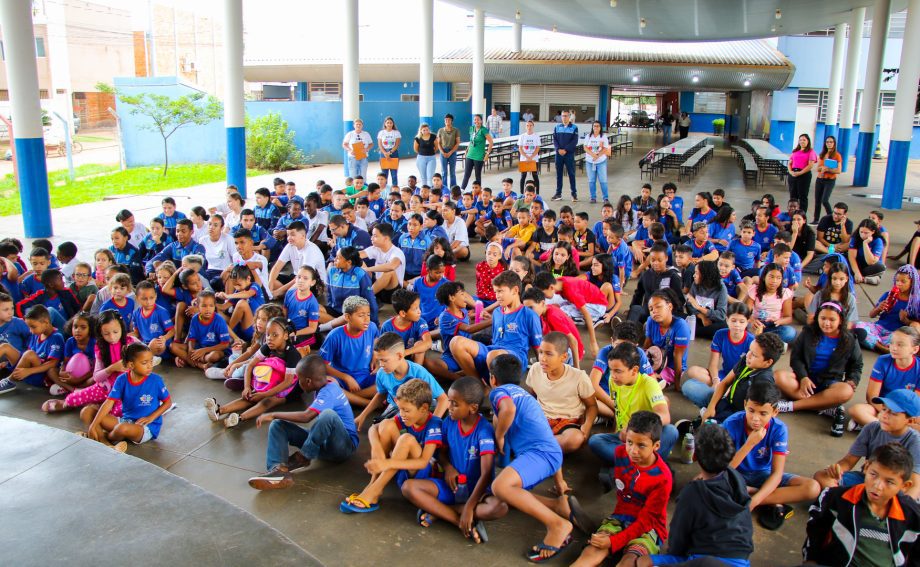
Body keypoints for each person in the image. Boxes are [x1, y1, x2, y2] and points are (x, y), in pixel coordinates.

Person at [486, 354, 571, 562]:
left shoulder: (499, 392)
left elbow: (508, 409)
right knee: (506, 493)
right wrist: (559, 481)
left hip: (540, 455)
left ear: (493, 378)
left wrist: (498, 435)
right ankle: (556, 505)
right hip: (550, 453)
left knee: (500, 488)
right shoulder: (525, 396)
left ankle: (557, 525)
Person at [401, 376, 506, 543]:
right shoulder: (449, 422)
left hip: (477, 492)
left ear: (473, 408)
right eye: (449, 401)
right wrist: (448, 467)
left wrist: (470, 506)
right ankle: (458, 520)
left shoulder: (484, 431)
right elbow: (441, 452)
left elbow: (486, 474)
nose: (449, 407)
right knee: (408, 488)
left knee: (499, 507)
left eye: (455, 404)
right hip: (452, 486)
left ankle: (439, 511)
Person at [640, 424, 753, 567]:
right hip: (741, 561)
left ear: (694, 456)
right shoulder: (737, 478)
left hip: (704, 561)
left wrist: (673, 558)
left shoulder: (692, 494)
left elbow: (677, 541)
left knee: (643, 561)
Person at [572, 411, 673, 567]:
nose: (633, 450)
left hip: (648, 527)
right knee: (592, 551)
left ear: (656, 446)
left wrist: (614, 541)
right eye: (630, 442)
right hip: (620, 517)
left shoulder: (663, 477)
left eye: (641, 445)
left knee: (630, 561)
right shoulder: (620, 453)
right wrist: (610, 539)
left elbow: (646, 522)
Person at [248, 355, 359, 490]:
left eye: (299, 380)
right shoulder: (324, 385)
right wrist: (275, 417)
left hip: (343, 447)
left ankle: (304, 457)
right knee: (278, 425)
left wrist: (272, 414)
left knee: (328, 415)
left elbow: (307, 416)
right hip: (322, 444)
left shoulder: (329, 391)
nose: (298, 383)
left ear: (308, 381)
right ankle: (277, 472)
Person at [722, 381, 821, 530]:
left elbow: (777, 474)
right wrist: (750, 444)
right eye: (751, 410)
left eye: (763, 413)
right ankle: (772, 499)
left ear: (775, 412)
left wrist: (753, 502)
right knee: (714, 483)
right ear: (744, 405)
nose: (755, 418)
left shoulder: (779, 429)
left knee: (812, 487)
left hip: (764, 475)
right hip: (736, 475)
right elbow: (726, 469)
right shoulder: (731, 423)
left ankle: (751, 496)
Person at [804, 444, 920, 567]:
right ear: (866, 467)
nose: (877, 485)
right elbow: (815, 530)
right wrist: (810, 560)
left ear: (905, 486)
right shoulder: (836, 498)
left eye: (889, 481)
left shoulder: (913, 514)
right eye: (873, 474)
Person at [339, 378, 442, 513]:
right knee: (386, 425)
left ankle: (375, 489)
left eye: (406, 410)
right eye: (400, 409)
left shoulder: (434, 424)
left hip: (422, 474)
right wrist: (377, 449)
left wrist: (387, 463)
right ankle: (373, 486)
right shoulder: (404, 416)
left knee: (406, 439)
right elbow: (373, 429)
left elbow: (423, 462)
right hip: (402, 468)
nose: (402, 414)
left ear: (423, 408)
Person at [814, 390, 920, 500]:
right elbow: (848, 461)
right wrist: (836, 470)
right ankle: (854, 505)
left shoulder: (914, 441)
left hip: (893, 489)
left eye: (893, 413)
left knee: (907, 502)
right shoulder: (871, 428)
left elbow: (915, 486)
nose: (884, 415)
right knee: (822, 476)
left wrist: (903, 507)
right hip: (869, 479)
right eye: (883, 409)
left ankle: (852, 504)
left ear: (911, 421)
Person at [204, 317, 300, 428]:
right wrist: (246, 388)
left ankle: (239, 418)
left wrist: (264, 394)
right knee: (250, 396)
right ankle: (219, 410)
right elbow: (250, 365)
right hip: (273, 380)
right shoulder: (267, 347)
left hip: (290, 388)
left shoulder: (292, 353)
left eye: (275, 335)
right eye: (268, 334)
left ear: (285, 336)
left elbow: (288, 382)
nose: (270, 339)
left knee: (266, 401)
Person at [448, 271, 542, 381]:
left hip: (515, 359)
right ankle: (478, 383)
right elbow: (495, 340)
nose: (497, 296)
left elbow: (538, 348)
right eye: (496, 292)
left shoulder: (529, 315)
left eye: (500, 291)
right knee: (456, 342)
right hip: (493, 351)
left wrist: (541, 376)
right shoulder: (497, 312)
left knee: (494, 356)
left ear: (515, 290)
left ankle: (492, 387)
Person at [79, 342, 171, 453]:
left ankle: (104, 437)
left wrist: (150, 418)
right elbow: (109, 403)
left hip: (145, 427)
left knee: (122, 428)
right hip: (125, 420)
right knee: (86, 411)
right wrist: (93, 425)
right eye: (144, 362)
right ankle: (105, 442)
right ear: (131, 365)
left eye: (151, 361)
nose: (149, 366)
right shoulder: (122, 379)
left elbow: (168, 403)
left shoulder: (156, 380)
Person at [353, 332, 447, 430]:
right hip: (396, 407)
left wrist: (433, 425)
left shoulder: (419, 372)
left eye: (384, 360)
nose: (381, 364)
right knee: (380, 429)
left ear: (399, 356)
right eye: (379, 360)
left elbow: (443, 399)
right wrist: (363, 415)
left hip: (417, 407)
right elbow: (381, 394)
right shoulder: (382, 373)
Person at [526, 332, 597, 455]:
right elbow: (532, 396)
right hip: (541, 419)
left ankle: (531, 447)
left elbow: (592, 406)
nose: (542, 358)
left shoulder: (579, 377)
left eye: (549, 354)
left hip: (569, 422)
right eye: (541, 352)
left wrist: (587, 425)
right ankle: (543, 448)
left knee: (575, 439)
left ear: (563, 357)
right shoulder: (535, 369)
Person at [682, 302, 755, 408]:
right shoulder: (720, 334)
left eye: (742, 321)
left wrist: (729, 385)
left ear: (747, 322)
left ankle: (716, 398)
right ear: (727, 319)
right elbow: (713, 364)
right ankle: (721, 397)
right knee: (691, 377)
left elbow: (751, 371)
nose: (737, 325)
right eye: (733, 320)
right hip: (723, 376)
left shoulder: (752, 341)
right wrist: (716, 381)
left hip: (740, 380)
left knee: (749, 390)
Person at [848, 327, 920, 428]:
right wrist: (888, 413)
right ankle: (897, 432)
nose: (894, 347)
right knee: (856, 410)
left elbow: (916, 404)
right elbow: (871, 396)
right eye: (892, 343)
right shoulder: (883, 361)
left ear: (915, 349)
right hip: (882, 406)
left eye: (900, 345)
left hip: (906, 412)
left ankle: (875, 426)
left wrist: (898, 416)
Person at [320, 296, 379, 407]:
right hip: (342, 379)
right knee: (327, 383)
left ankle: (352, 397)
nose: (367, 319)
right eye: (361, 315)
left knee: (390, 378)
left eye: (368, 314)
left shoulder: (372, 327)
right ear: (347, 317)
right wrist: (346, 378)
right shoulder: (334, 336)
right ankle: (368, 403)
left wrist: (375, 355)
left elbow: (376, 339)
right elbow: (323, 365)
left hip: (366, 375)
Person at [854, 265, 920, 353]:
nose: (899, 284)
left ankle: (877, 345)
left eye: (903, 281)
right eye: (897, 280)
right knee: (857, 326)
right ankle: (886, 348)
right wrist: (878, 308)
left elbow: (916, 326)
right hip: (879, 328)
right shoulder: (888, 295)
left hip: (896, 333)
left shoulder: (915, 302)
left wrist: (906, 321)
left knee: (903, 339)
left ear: (912, 282)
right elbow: (871, 315)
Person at [169, 290, 231, 371]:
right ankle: (201, 365)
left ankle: (193, 361)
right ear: (198, 306)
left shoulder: (219, 320)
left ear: (215, 306)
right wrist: (190, 351)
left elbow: (225, 344)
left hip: (214, 349)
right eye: (204, 306)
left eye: (211, 306)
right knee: (172, 346)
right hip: (199, 347)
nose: (208, 309)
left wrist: (204, 350)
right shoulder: (195, 318)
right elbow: (191, 338)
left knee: (214, 356)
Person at [379, 289, 432, 365]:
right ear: (403, 313)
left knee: (420, 344)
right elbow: (383, 350)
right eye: (415, 309)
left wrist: (405, 352)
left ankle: (416, 374)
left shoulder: (420, 322)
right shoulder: (387, 327)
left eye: (419, 307)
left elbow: (428, 343)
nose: (419, 311)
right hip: (395, 358)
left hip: (412, 354)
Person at [848, 218, 887, 285]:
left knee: (881, 267)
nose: (863, 235)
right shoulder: (855, 238)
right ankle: (863, 277)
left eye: (866, 233)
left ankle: (858, 277)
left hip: (869, 266)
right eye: (861, 232)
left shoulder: (878, 241)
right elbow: (852, 257)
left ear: (873, 232)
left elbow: (871, 262)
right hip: (857, 264)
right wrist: (857, 272)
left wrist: (865, 244)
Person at [813, 135, 842, 223]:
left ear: (834, 144)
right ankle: (816, 219)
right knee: (817, 200)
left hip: (830, 180)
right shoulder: (822, 154)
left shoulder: (837, 155)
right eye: (827, 142)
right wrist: (822, 169)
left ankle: (832, 218)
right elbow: (817, 168)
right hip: (820, 179)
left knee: (824, 200)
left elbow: (839, 170)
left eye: (831, 142)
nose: (829, 144)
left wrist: (828, 169)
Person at [551, 110, 578, 202]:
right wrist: (558, 149)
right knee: (559, 174)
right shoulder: (557, 127)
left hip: (569, 154)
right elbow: (554, 140)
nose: (564, 118)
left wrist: (565, 150)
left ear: (569, 117)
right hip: (559, 154)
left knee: (571, 174)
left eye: (566, 116)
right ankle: (558, 194)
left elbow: (574, 141)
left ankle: (574, 194)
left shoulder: (574, 128)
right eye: (563, 116)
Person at [460, 114, 492, 191]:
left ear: (481, 121)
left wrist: (487, 154)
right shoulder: (471, 128)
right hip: (470, 154)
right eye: (475, 119)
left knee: (477, 175)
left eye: (478, 119)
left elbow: (491, 142)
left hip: (479, 155)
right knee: (466, 174)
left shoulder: (483, 130)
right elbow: (471, 141)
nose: (476, 121)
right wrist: (467, 150)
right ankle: (462, 190)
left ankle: (478, 191)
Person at [787, 133, 817, 213]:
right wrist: (790, 172)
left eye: (804, 140)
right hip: (793, 174)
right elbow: (790, 163)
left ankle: (802, 215)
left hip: (804, 175)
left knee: (802, 196)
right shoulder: (795, 151)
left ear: (808, 141)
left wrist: (800, 173)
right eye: (800, 140)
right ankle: (792, 213)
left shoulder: (811, 152)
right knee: (793, 196)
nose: (802, 141)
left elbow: (810, 165)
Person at [585, 121, 610, 204]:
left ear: (600, 127)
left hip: (601, 161)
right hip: (590, 161)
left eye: (598, 126)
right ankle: (593, 197)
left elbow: (605, 148)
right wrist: (593, 155)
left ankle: (605, 198)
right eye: (594, 126)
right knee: (591, 180)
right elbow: (585, 147)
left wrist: (598, 155)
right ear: (592, 127)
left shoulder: (603, 137)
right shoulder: (588, 136)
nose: (596, 127)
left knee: (603, 180)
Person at [436, 113, 461, 188]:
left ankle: (453, 188)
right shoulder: (440, 130)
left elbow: (457, 143)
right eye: (446, 120)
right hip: (443, 151)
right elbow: (438, 143)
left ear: (451, 121)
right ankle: (444, 187)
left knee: (452, 172)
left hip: (452, 152)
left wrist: (450, 152)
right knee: (444, 172)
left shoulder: (456, 130)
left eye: (449, 120)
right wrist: (442, 152)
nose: (447, 121)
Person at [518, 120, 541, 193]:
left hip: (534, 159)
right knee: (523, 176)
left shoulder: (536, 136)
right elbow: (520, 148)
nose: (529, 127)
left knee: (535, 176)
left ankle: (537, 193)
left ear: (533, 126)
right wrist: (526, 157)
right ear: (525, 127)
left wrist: (531, 157)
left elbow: (537, 148)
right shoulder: (522, 136)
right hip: (524, 159)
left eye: (530, 125)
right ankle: (521, 193)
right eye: (527, 125)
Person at [377, 116, 401, 187]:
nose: (389, 124)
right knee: (384, 174)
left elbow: (397, 144)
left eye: (391, 123)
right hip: (383, 153)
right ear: (385, 124)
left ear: (393, 124)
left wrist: (390, 152)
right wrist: (384, 153)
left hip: (393, 153)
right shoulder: (381, 133)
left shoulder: (396, 132)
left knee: (394, 174)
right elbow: (380, 144)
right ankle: (384, 189)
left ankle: (395, 189)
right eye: (387, 123)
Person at [414, 123, 437, 187]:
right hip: (421, 158)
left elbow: (436, 146)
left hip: (431, 158)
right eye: (424, 130)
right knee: (423, 177)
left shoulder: (433, 136)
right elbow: (416, 149)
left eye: (427, 130)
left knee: (430, 176)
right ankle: (424, 191)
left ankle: (430, 191)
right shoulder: (417, 138)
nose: (426, 131)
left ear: (429, 130)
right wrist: (422, 153)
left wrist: (431, 152)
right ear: (421, 130)